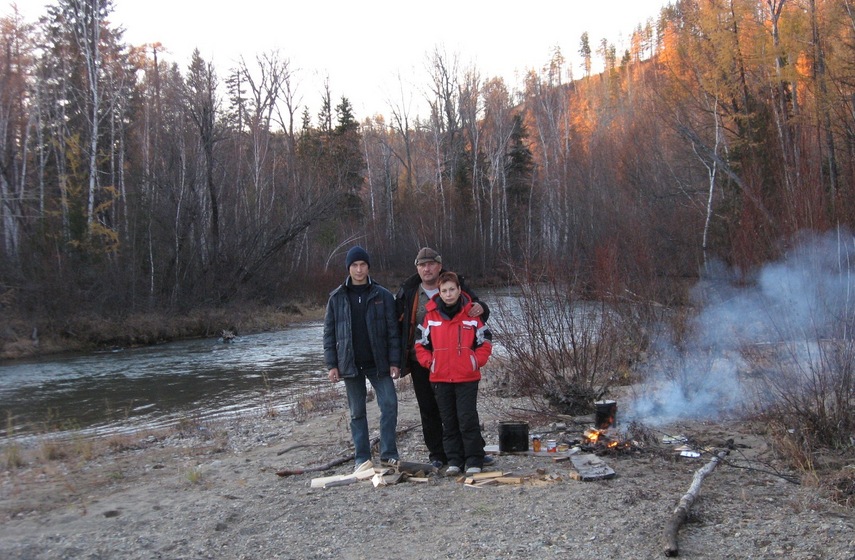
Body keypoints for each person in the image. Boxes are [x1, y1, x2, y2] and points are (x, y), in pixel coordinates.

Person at [396, 247, 491, 469]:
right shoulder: (408, 291)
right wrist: (398, 360)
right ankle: (439, 454)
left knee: (465, 413)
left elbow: (477, 313)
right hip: (422, 361)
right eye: (422, 265)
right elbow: (396, 326)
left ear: (439, 266)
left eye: (431, 264)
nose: (427, 268)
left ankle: (474, 452)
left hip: (459, 364)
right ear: (417, 268)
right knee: (429, 410)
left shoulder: (457, 285)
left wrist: (482, 307)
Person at [323, 246, 401, 471]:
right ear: (348, 268)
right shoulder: (336, 298)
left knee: (389, 405)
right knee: (357, 412)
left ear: (368, 267)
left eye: (362, 265)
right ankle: (362, 458)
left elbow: (392, 331)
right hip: (350, 364)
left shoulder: (383, 295)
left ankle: (389, 454)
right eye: (354, 265)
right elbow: (329, 334)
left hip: (379, 362)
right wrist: (332, 365)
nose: (359, 269)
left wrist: (394, 362)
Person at [415, 271, 493, 476]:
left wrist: (475, 361)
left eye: (452, 289)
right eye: (444, 291)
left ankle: (474, 458)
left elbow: (485, 340)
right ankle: (455, 460)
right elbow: (420, 344)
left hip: (467, 377)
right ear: (439, 293)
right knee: (448, 421)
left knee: (467, 419)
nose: (448, 294)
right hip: (440, 377)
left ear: (459, 290)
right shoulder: (430, 317)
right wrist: (429, 363)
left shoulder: (472, 315)